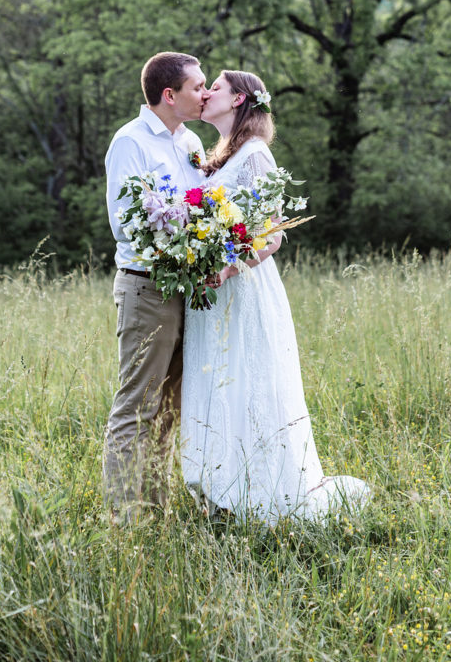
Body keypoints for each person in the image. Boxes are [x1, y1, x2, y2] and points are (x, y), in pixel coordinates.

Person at [181, 69, 371, 524]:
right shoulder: (218, 157)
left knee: (248, 383)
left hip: (242, 288)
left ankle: (265, 491)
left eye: (217, 88)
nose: (206, 94)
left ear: (240, 99)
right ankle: (221, 495)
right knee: (216, 384)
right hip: (213, 294)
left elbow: (272, 237)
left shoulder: (255, 154)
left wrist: (226, 268)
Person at [103, 51, 207, 519]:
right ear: (170, 94)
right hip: (147, 288)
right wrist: (184, 237)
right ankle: (127, 519)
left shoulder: (191, 143)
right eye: (197, 86)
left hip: (190, 291)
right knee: (137, 406)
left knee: (171, 408)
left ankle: (156, 508)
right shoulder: (130, 142)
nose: (204, 93)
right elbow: (127, 224)